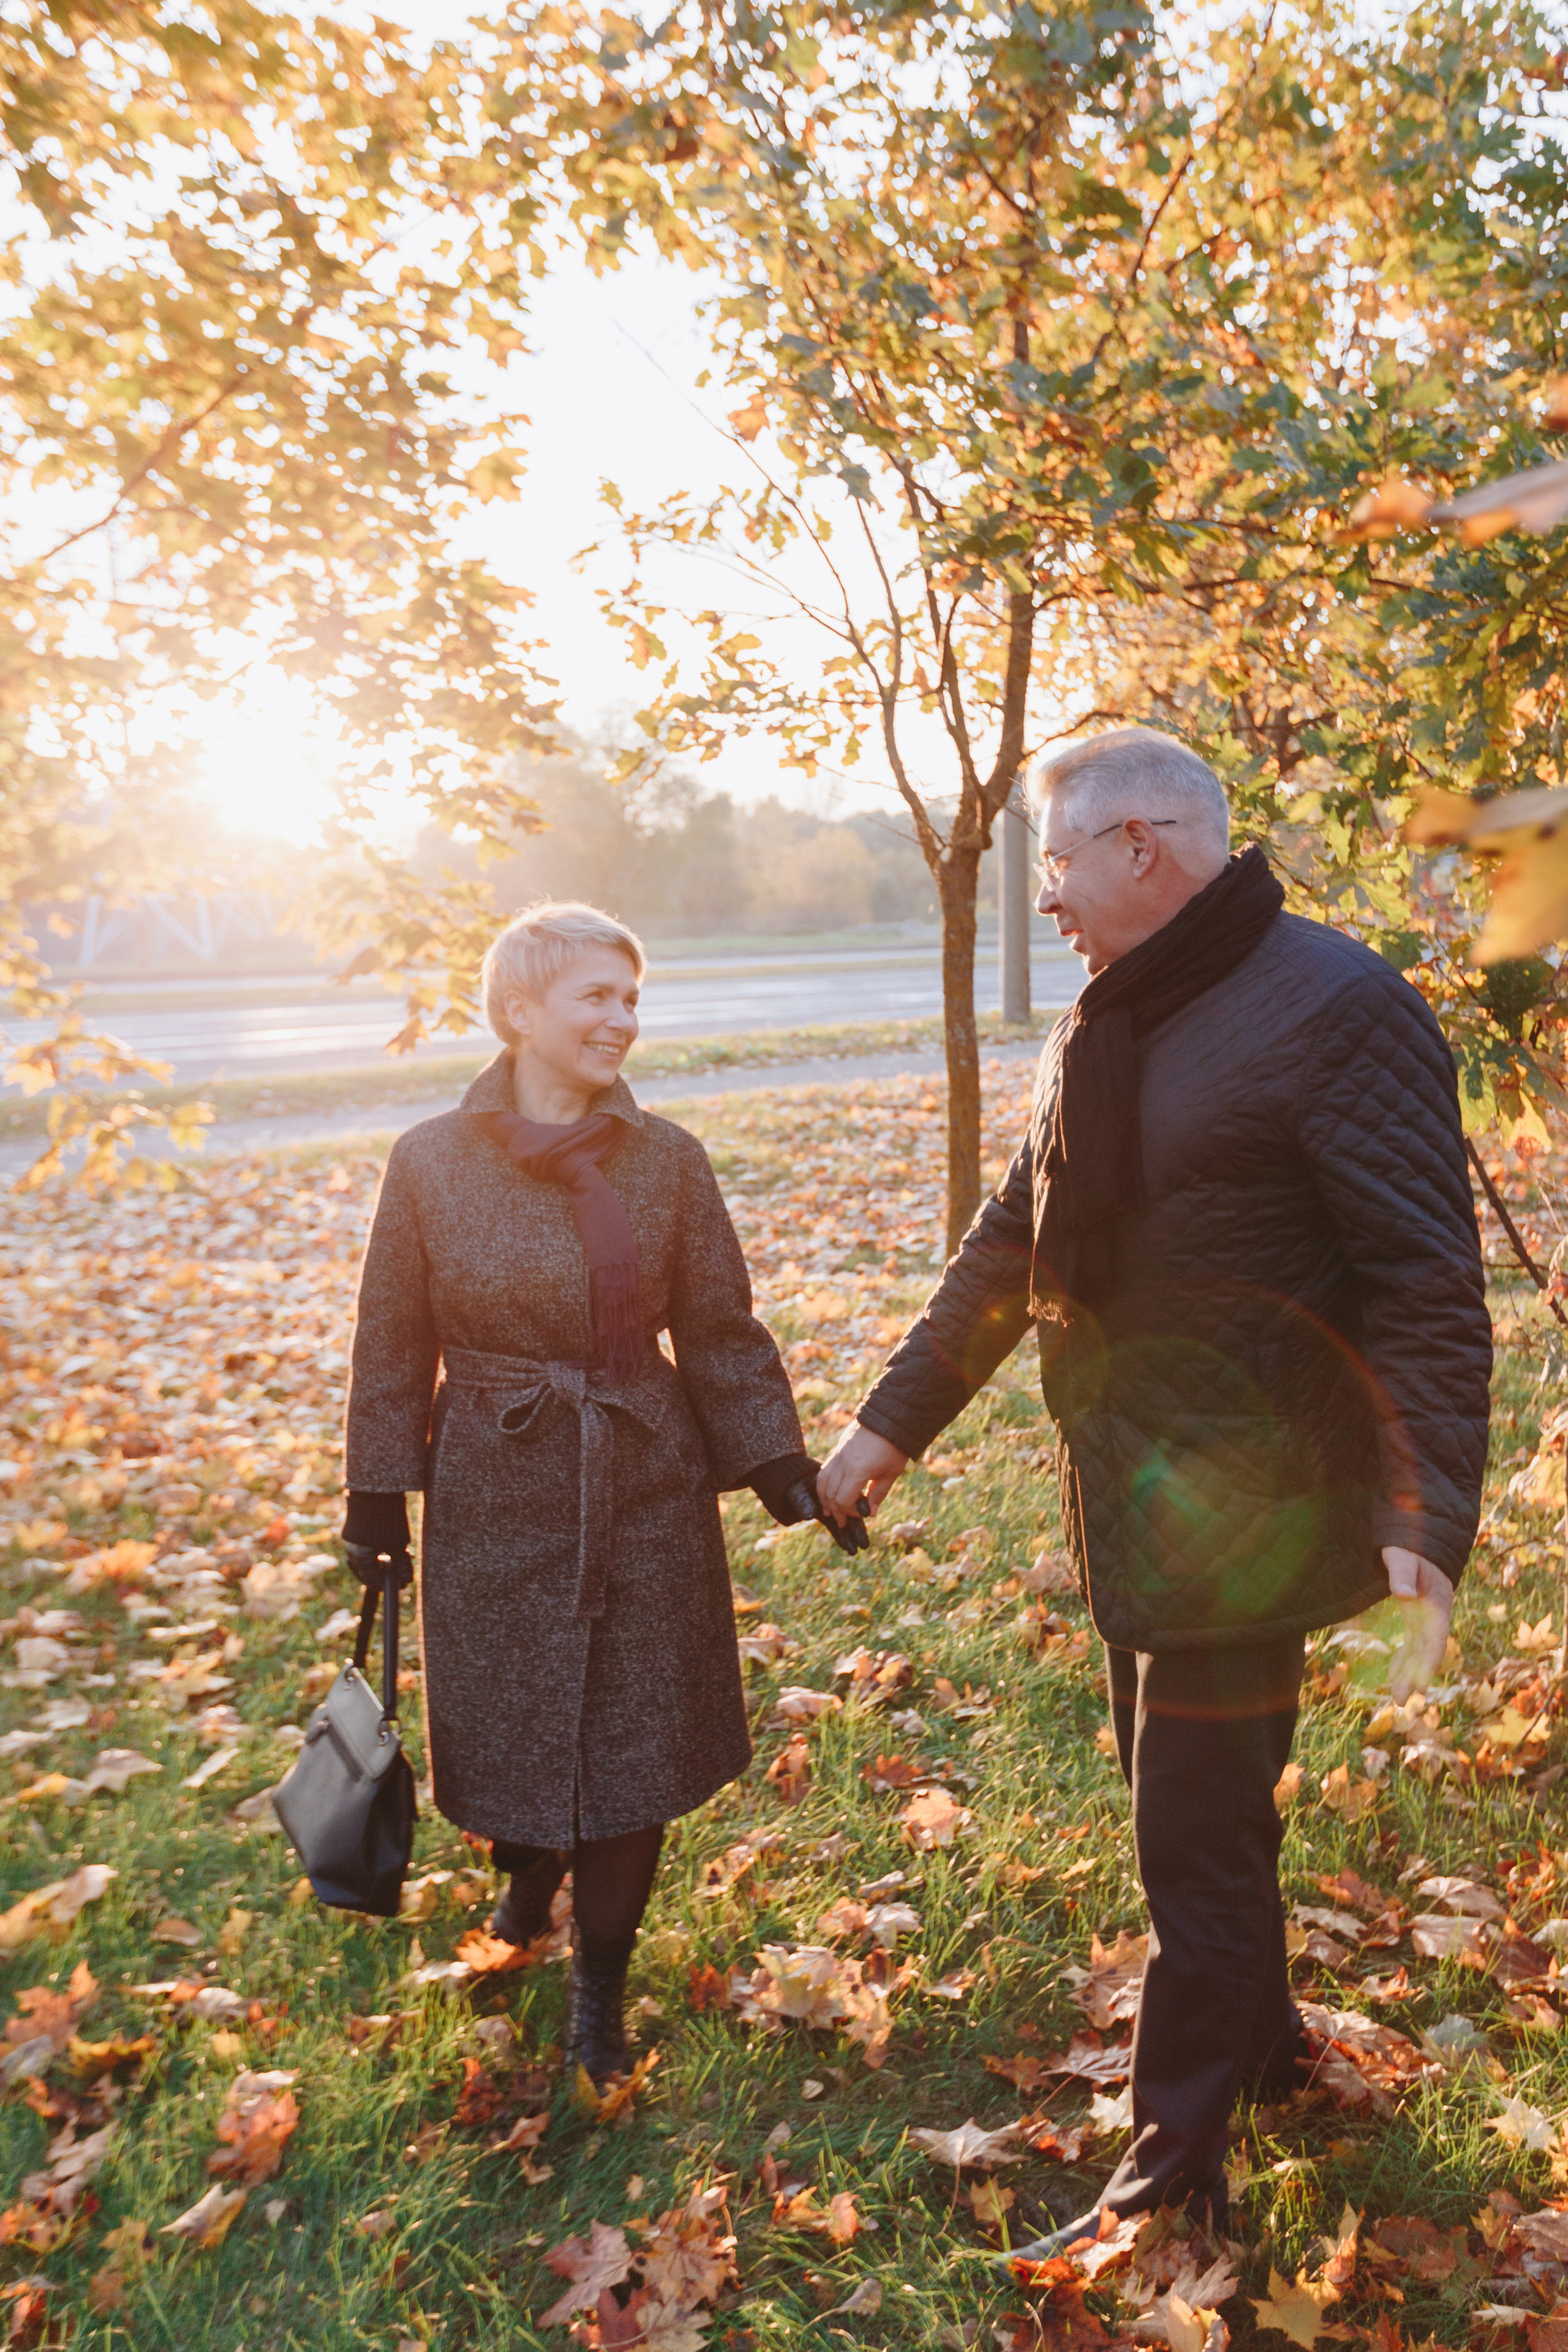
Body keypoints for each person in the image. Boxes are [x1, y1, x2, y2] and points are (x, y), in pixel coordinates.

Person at [818, 728, 1491, 2250]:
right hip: (1135, 1488)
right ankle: (1265, 2053)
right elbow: (1016, 1235)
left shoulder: (1335, 1006)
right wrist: (888, 1425)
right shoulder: (1116, 1015)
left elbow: (1423, 1287)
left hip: (1249, 1503)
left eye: (1050, 864)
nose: (1041, 899)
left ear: (1140, 847)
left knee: (1186, 1831)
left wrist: (1419, 1515)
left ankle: (1169, 2169)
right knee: (1192, 1808)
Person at [339, 900, 861, 2086]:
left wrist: (781, 1470)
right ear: (519, 1011)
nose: (623, 1021)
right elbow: (389, 1339)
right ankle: (526, 1880)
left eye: (632, 1000)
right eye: (597, 997)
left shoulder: (667, 1161)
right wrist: (376, 1497)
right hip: (490, 1486)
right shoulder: (428, 1160)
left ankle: (599, 1994)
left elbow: (721, 1332)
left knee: (633, 1745)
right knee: (510, 1730)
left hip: (641, 1482)